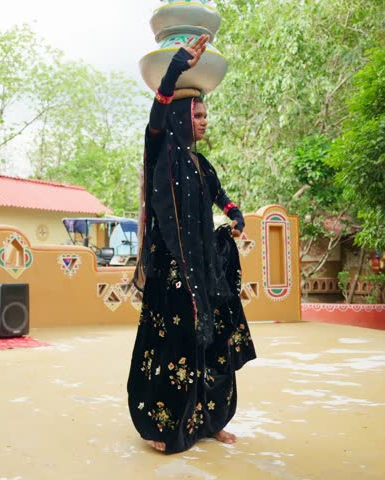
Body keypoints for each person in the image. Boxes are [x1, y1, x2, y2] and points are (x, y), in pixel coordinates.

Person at [127, 34, 257, 454]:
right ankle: (162, 426)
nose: (203, 121)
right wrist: (177, 66)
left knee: (213, 342)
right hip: (173, 272)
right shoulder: (160, 147)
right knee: (175, 346)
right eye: (197, 114)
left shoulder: (201, 165)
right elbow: (157, 108)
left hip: (204, 269)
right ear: (181, 116)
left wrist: (235, 216)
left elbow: (223, 196)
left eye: (205, 114)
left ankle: (211, 420)